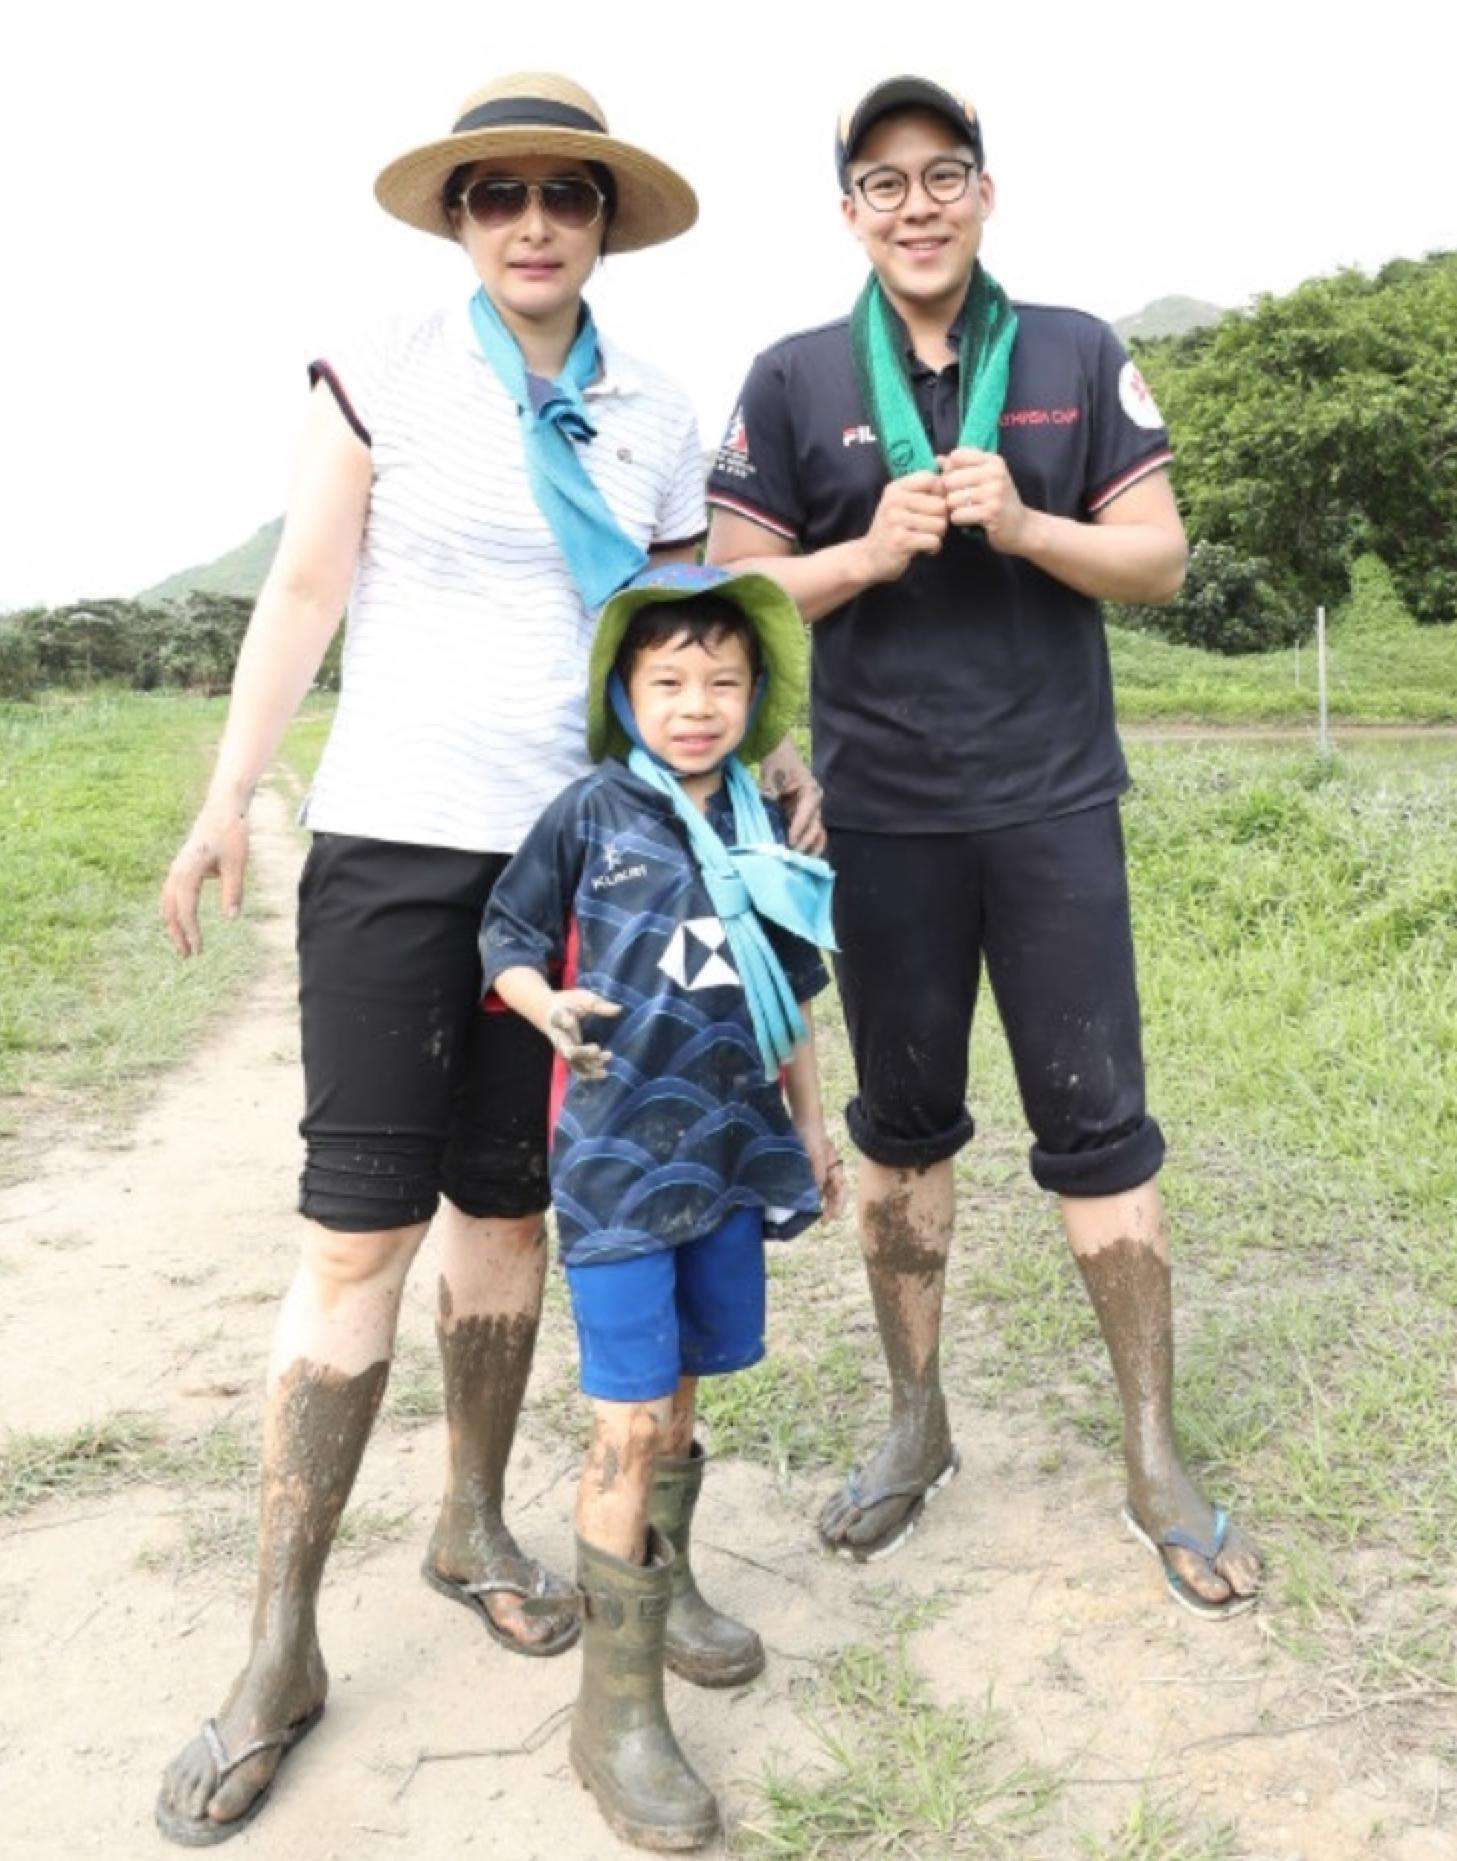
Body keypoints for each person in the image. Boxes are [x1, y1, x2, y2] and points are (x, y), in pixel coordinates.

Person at [153, 73, 819, 1846]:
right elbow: (305, 590)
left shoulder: (661, 408)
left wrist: (753, 791)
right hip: (391, 844)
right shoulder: (383, 363)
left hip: (592, 865)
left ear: (606, 221)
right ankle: (279, 1648)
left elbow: (679, 649)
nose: (533, 220)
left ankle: (474, 1521)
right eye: (498, 193)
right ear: (458, 219)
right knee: (358, 1233)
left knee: (523, 1215)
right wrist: (233, 799)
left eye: (567, 195)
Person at [706, 76, 1264, 1618]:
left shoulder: (1076, 352)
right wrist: (868, 553)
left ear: (983, 192)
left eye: (939, 173)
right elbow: (735, 601)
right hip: (877, 818)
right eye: (880, 184)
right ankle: (914, 1419)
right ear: (848, 216)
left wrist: (1022, 528)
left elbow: (1154, 558)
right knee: (899, 1135)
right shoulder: (793, 373)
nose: (914, 204)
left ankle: (1150, 1453)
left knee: (1102, 1128)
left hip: (1051, 806)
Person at [481, 562, 841, 1849]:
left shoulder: (764, 824)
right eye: (669, 681)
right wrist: (546, 1010)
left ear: (756, 697)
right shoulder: (587, 813)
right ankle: (614, 1715)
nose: (696, 705)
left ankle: (669, 1587)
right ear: (624, 693)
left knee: (685, 1393)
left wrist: (808, 1120)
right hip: (620, 1170)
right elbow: (506, 938)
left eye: (723, 682)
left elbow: (786, 990)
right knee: (626, 1425)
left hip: (731, 1159)